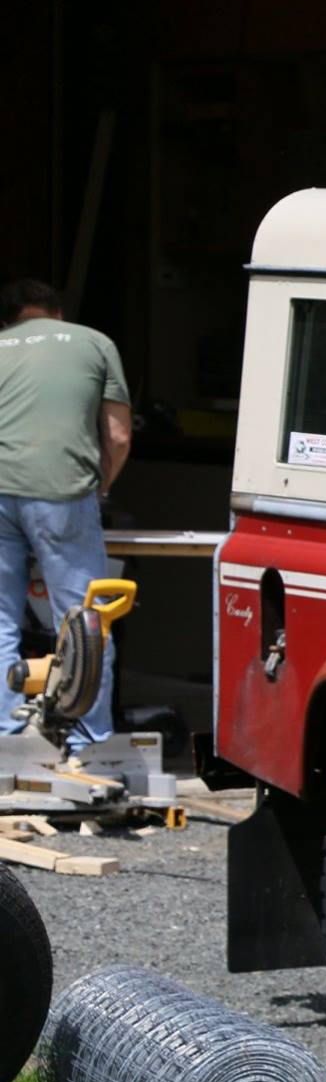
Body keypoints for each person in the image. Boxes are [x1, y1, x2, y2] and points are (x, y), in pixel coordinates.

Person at [0, 279, 132, 752]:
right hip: (61, 493)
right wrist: (101, 486)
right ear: (57, 314)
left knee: (0, 622)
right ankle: (89, 745)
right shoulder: (94, 342)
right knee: (85, 623)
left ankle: (5, 741)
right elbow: (117, 435)